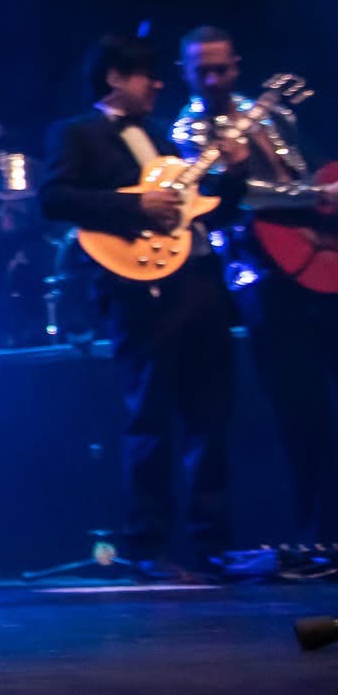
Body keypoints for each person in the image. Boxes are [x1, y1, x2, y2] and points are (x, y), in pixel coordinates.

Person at [41, 34, 236, 581]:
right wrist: (135, 205)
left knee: (210, 415)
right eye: (145, 75)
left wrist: (233, 174)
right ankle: (149, 546)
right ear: (114, 78)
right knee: (150, 414)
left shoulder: (161, 134)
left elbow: (204, 208)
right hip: (137, 288)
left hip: (196, 281)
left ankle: (213, 544)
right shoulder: (76, 132)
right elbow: (54, 198)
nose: (156, 84)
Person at [175, 25, 338, 542]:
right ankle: (319, 535)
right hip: (259, 275)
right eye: (201, 70)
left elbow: (305, 166)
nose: (212, 79)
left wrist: (322, 192)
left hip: (321, 259)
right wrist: (316, 196)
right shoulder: (189, 131)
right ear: (185, 73)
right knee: (300, 405)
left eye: (221, 68)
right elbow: (235, 198)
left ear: (236, 66)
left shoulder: (266, 111)